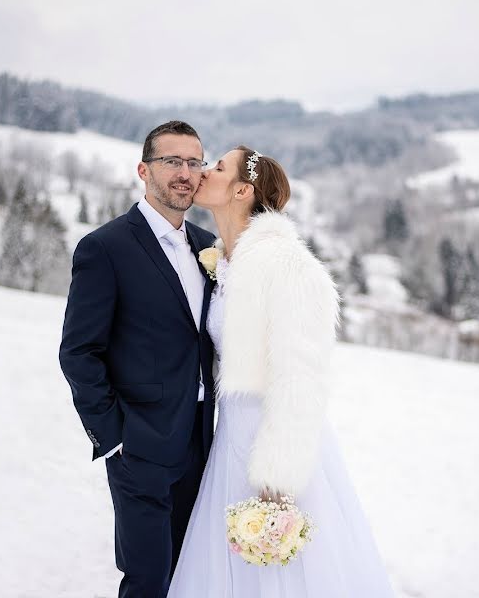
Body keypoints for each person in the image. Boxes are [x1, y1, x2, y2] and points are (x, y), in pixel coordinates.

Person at [167, 146, 395, 597]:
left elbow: (301, 378)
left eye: (216, 168)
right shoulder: (224, 263)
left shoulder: (290, 267)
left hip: (275, 449)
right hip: (229, 440)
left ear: (242, 190)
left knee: (279, 573)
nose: (202, 173)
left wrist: (278, 477)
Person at [59, 121, 217, 598]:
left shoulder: (210, 246)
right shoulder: (105, 248)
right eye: (173, 161)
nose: (185, 173)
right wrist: (113, 438)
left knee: (192, 573)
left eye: (194, 162)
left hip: (204, 441)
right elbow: (79, 351)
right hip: (140, 445)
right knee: (148, 580)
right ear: (144, 170)